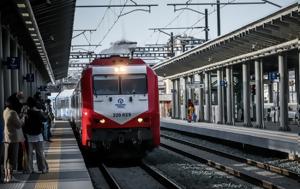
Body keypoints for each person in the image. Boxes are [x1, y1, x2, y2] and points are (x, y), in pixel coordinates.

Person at [3, 95, 25, 183]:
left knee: (7, 158)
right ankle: (10, 177)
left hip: (7, 137)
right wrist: (23, 118)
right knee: (13, 159)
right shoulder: (13, 113)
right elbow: (19, 124)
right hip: (14, 139)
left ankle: (7, 177)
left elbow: (12, 121)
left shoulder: (5, 111)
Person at [23, 97, 48, 174]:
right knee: (40, 153)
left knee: (29, 154)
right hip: (38, 135)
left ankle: (30, 169)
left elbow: (24, 124)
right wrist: (44, 113)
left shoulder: (26, 113)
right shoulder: (38, 112)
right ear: (35, 104)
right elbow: (45, 119)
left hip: (29, 136)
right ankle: (43, 168)